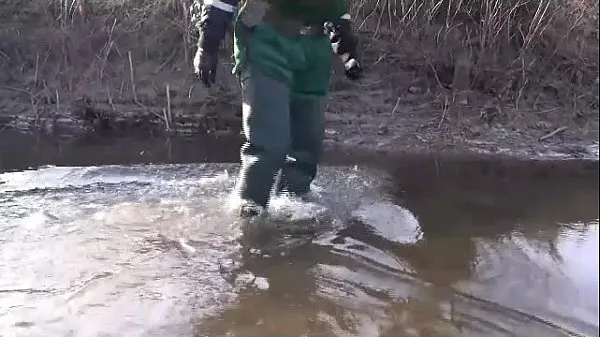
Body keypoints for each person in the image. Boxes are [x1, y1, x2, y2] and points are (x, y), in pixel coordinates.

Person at [190, 0, 363, 217]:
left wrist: (348, 54)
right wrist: (207, 46)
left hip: (313, 50)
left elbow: (337, 13)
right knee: (270, 143)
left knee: (307, 145)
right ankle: (249, 209)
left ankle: (294, 207)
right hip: (267, 40)